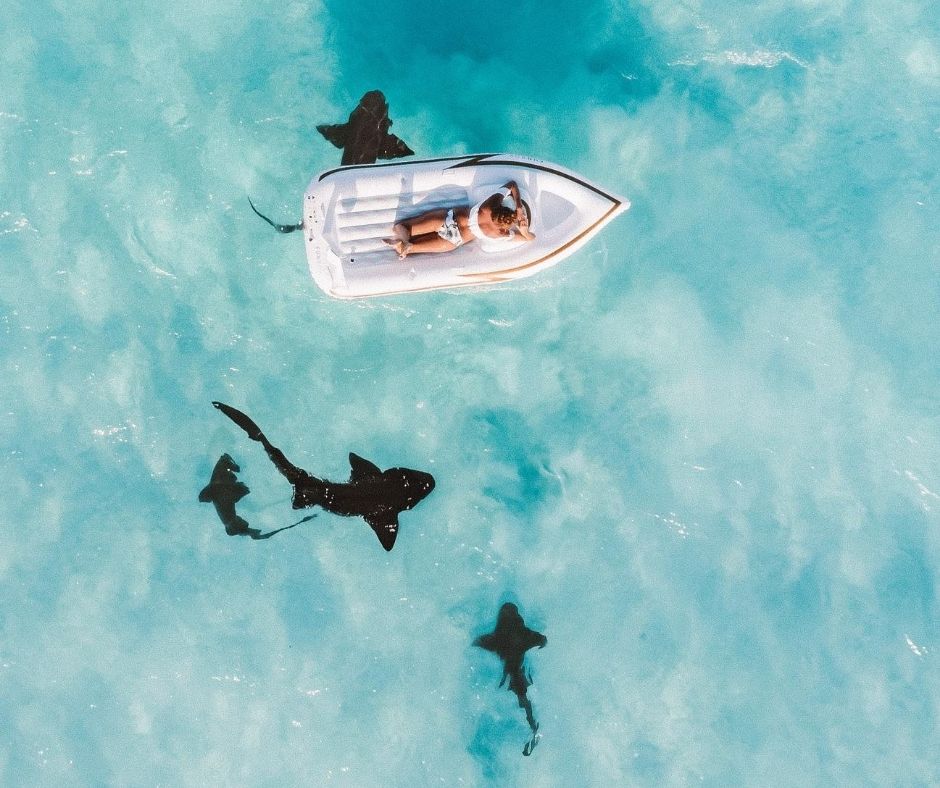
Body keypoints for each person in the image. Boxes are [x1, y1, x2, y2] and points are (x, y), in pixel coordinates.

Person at [385, 181, 534, 259]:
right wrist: (525, 231)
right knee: (412, 249)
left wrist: (519, 206)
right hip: (454, 240)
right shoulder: (499, 233)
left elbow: (512, 184)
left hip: (448, 219)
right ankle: (404, 247)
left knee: (400, 226)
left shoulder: (490, 205)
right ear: (506, 225)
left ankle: (403, 240)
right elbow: (529, 239)